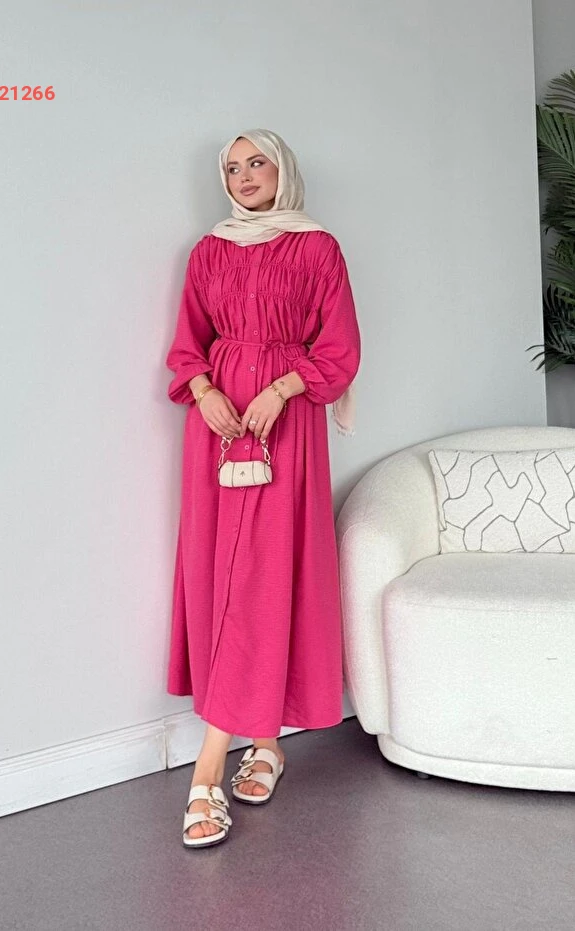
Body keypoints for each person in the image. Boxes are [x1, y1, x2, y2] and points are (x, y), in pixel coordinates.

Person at [165, 128, 361, 848]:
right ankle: (265, 742)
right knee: (223, 578)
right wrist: (204, 389)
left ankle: (207, 770)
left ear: (283, 170)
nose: (243, 176)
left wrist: (281, 388)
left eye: (257, 163)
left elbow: (338, 347)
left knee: (267, 576)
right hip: (216, 428)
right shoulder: (208, 252)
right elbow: (187, 343)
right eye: (231, 167)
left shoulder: (317, 248)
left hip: (285, 425)